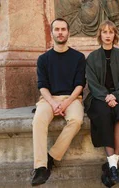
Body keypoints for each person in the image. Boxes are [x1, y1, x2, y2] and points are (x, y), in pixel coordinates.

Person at [31, 18, 86, 186]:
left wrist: (66, 102)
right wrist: (54, 104)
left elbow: (80, 84)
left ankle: (52, 156)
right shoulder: (43, 59)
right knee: (38, 120)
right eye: (57, 29)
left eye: (63, 29)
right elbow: (42, 86)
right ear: (52, 33)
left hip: (72, 98)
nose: (60, 32)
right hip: (48, 99)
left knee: (76, 120)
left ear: (68, 32)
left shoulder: (78, 57)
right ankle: (40, 167)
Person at [84, 20, 119, 186]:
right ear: (100, 35)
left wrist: (115, 96)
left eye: (111, 32)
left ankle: (113, 164)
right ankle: (113, 166)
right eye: (104, 32)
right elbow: (91, 82)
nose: (107, 35)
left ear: (115, 35)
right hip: (99, 97)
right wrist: (106, 96)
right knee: (104, 114)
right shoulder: (92, 57)